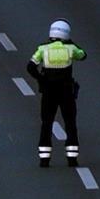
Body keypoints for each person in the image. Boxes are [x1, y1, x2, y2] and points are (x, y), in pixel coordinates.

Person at [26, 19, 87, 167]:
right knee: (70, 123)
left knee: (46, 123)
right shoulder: (71, 48)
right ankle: (72, 158)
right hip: (66, 91)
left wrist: (41, 79)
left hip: (48, 91)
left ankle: (44, 159)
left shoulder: (43, 48)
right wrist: (71, 43)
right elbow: (83, 55)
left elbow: (30, 67)